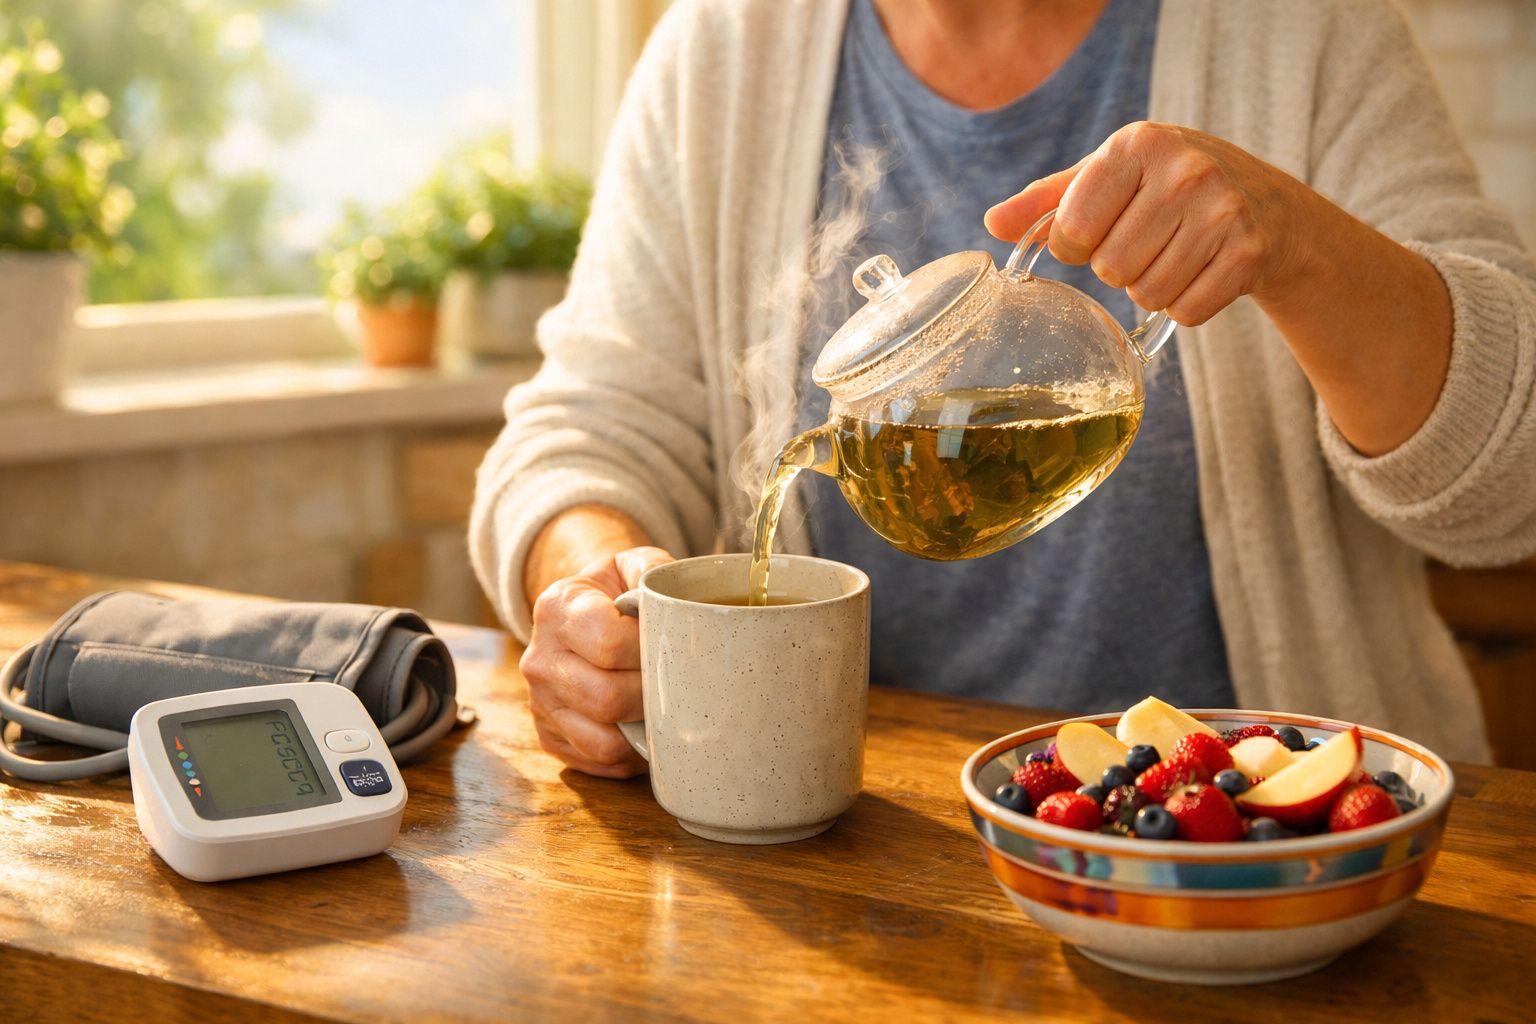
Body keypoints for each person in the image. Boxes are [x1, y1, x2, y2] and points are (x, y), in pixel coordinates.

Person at [470, 0, 1536, 777]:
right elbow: (592, 422)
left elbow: (1509, 482)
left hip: (1263, 841)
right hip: (856, 838)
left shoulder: (1304, 34)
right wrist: (589, 590)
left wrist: (1298, 247)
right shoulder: (722, 48)